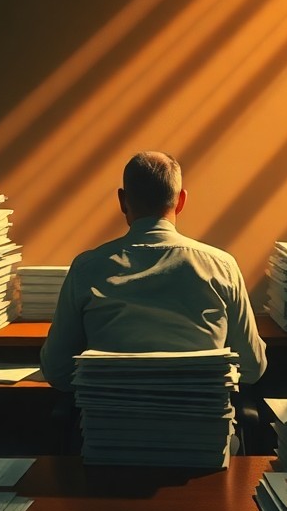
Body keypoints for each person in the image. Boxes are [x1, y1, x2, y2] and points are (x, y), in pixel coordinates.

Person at [39, 150, 268, 391]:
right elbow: (252, 367)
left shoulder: (86, 268)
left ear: (122, 201)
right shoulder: (221, 266)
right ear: (180, 201)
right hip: (199, 425)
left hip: (112, 425)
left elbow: (57, 370)